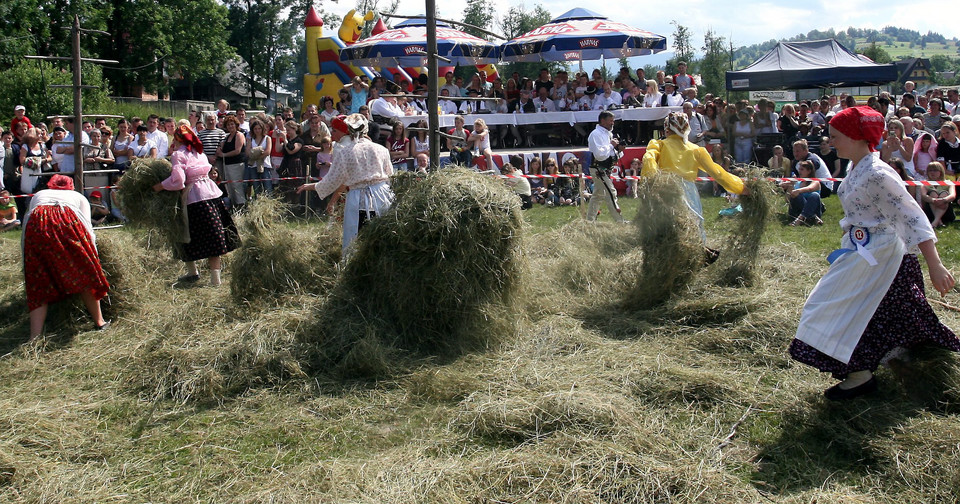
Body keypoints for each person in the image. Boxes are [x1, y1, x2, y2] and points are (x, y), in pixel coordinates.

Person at [789, 106, 960, 401]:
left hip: (884, 256)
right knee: (859, 312)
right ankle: (862, 373)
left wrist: (935, 265)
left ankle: (882, 372)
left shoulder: (878, 173)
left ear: (855, 137)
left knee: (854, 310)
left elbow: (913, 217)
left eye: (835, 136)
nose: (830, 142)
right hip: (863, 251)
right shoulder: (858, 167)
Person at [641, 112, 747, 250]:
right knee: (694, 223)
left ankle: (665, 255)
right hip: (688, 191)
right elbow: (718, 172)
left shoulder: (659, 145)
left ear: (667, 129)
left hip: (664, 189)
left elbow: (648, 159)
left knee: (664, 226)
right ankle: (698, 253)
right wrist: (741, 187)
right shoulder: (696, 149)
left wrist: (652, 179)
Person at [22, 174, 110, 340]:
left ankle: (35, 336)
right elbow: (87, 229)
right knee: (85, 273)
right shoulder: (78, 197)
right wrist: (92, 260)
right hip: (66, 223)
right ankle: (99, 322)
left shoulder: (39, 195)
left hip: (38, 226)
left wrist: (26, 258)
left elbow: (28, 220)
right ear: (71, 186)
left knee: (38, 280)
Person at [153, 125, 241, 287]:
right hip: (212, 195)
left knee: (186, 232)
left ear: (178, 139)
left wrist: (160, 186)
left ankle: (200, 274)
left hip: (194, 198)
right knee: (214, 235)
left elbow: (178, 181)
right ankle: (211, 278)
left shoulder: (178, 155)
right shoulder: (199, 152)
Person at [296, 114, 394, 256]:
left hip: (358, 197)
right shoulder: (381, 149)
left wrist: (310, 186)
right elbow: (390, 175)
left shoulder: (345, 152)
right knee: (380, 233)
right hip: (382, 196)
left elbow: (333, 179)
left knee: (355, 235)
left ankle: (353, 264)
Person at [586, 111, 625, 223]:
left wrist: (619, 150)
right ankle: (619, 220)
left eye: (613, 121)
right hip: (598, 168)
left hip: (605, 168)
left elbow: (611, 154)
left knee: (598, 195)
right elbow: (600, 155)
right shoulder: (596, 134)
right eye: (610, 121)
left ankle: (589, 221)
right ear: (603, 121)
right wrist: (611, 145)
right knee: (611, 192)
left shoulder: (609, 134)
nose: (612, 123)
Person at [215, 115, 246, 210]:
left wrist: (223, 155)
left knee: (237, 186)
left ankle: (242, 206)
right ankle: (234, 206)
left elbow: (237, 151)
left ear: (236, 124)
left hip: (237, 165)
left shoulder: (239, 135)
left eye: (232, 124)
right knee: (230, 186)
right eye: (228, 125)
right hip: (227, 165)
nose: (230, 126)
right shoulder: (227, 137)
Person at [783, 160, 824, 226]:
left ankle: (800, 219)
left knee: (814, 195)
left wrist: (798, 191)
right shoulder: (797, 182)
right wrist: (791, 185)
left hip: (812, 208)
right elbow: (787, 200)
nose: (799, 171)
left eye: (802, 169)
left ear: (809, 171)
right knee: (797, 196)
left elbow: (810, 188)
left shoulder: (815, 182)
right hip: (797, 211)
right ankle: (812, 217)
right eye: (799, 169)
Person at [920, 161, 955, 228]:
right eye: (930, 170)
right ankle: (938, 221)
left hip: (947, 212)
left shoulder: (949, 183)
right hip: (930, 212)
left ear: (941, 172)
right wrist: (933, 200)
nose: (932, 172)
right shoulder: (924, 183)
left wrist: (943, 200)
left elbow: (952, 195)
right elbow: (924, 196)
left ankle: (935, 222)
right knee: (933, 193)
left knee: (944, 193)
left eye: (935, 170)